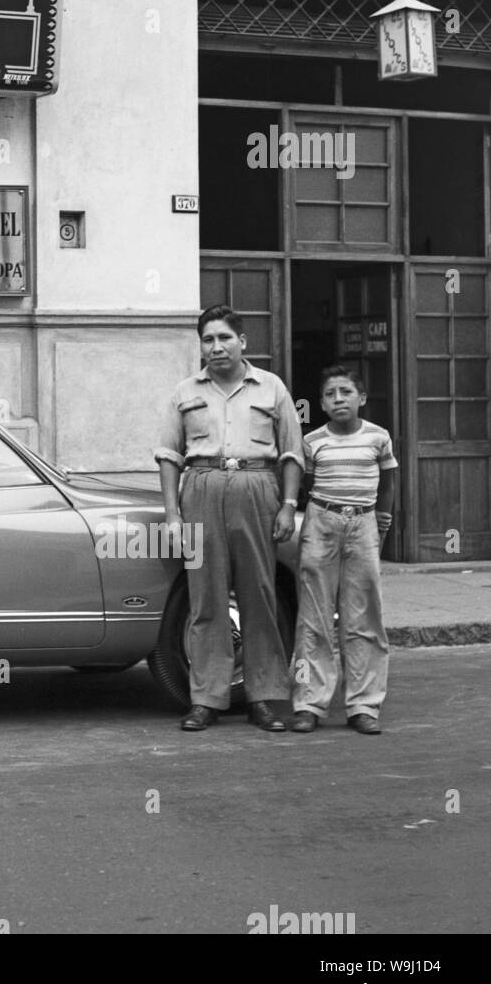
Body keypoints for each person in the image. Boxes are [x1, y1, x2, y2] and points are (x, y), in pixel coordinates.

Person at [155, 305, 303, 732]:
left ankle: (265, 698)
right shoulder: (185, 392)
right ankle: (206, 699)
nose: (216, 347)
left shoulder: (271, 388)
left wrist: (288, 505)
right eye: (208, 340)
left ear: (243, 342)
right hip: (200, 488)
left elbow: (292, 453)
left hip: (257, 488)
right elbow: (168, 456)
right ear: (200, 346)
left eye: (224, 338)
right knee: (206, 598)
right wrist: (172, 515)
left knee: (259, 593)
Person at [289, 366, 396, 735]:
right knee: (313, 618)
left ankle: (364, 705)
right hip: (322, 523)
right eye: (330, 394)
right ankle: (308, 704)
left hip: (363, 524)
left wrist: (382, 520)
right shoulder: (313, 441)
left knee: (364, 618)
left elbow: (388, 481)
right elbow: (304, 483)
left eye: (346, 392)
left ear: (361, 398)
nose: (338, 399)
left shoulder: (378, 437)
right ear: (321, 403)